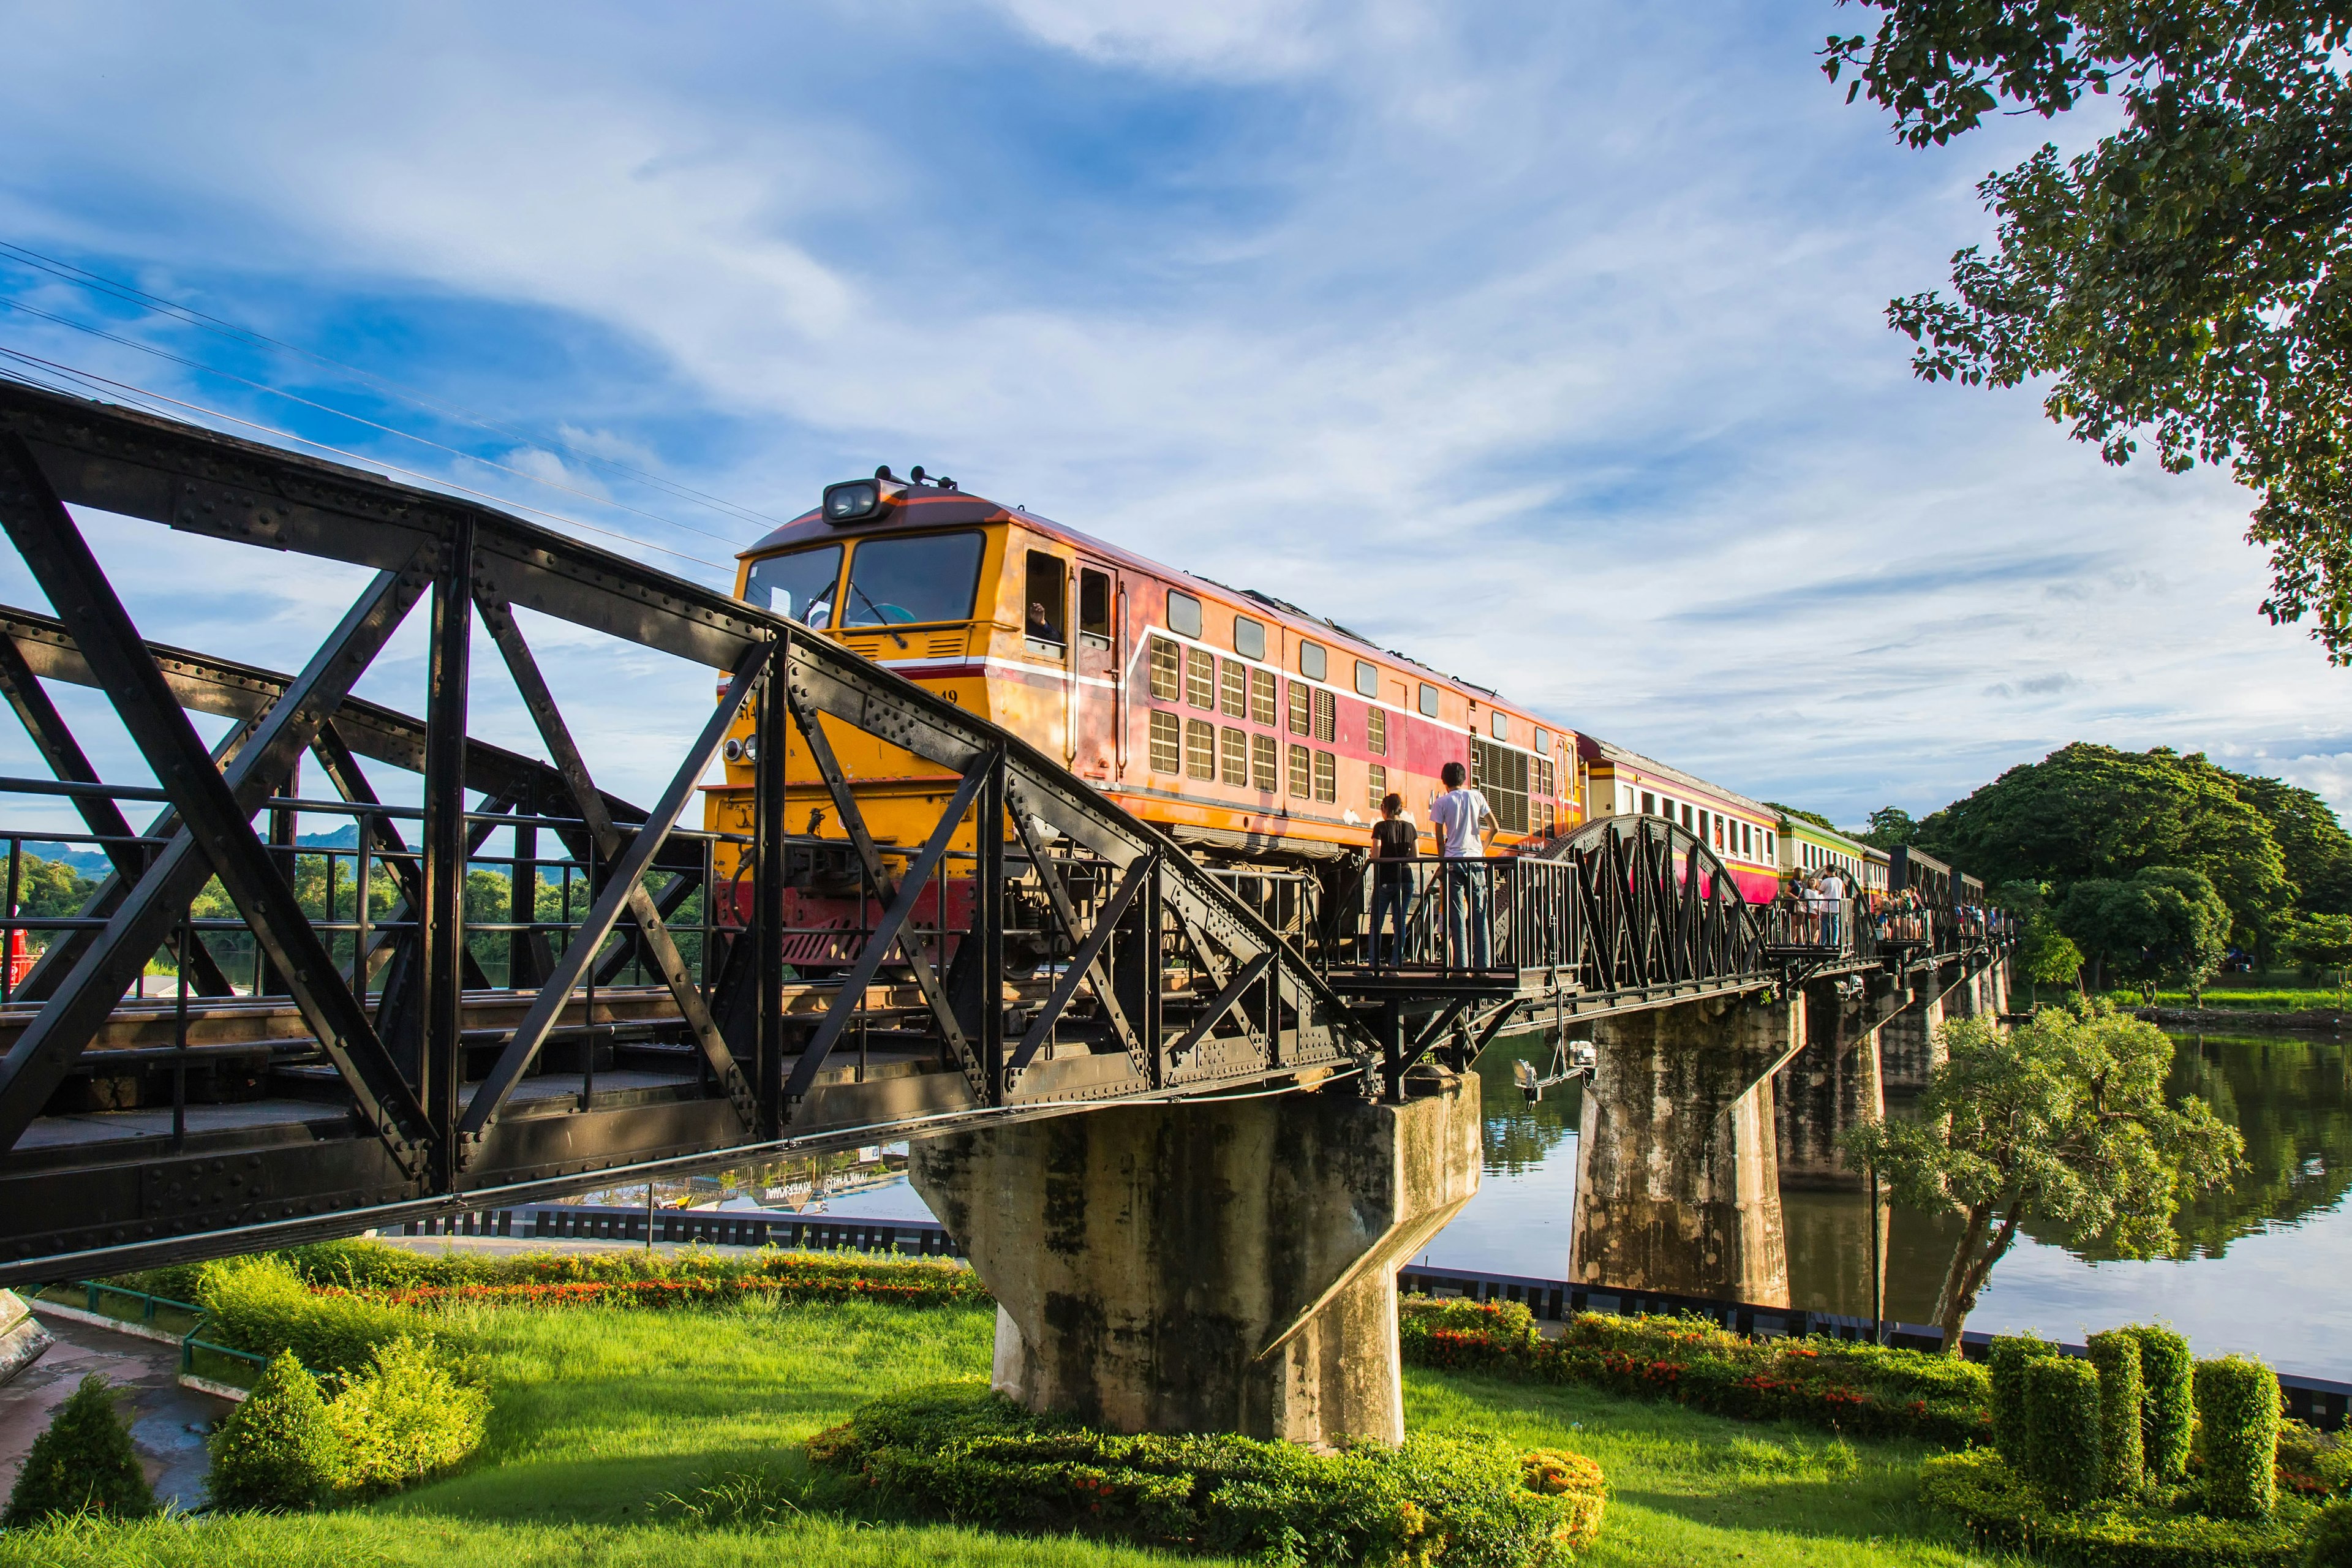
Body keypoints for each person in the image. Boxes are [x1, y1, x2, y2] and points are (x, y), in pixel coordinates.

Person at [1427, 761, 1495, 969]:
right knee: (1480, 915)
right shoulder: (1477, 796)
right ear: (1464, 779)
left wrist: (1442, 863)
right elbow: (1494, 828)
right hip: (1476, 862)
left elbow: (1440, 840)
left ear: (1444, 781)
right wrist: (1480, 850)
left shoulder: (1441, 802)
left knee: (1456, 918)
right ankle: (1483, 967)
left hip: (1453, 863)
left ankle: (1461, 968)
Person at [1368, 793, 1419, 969]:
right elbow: (1415, 856)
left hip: (1386, 880)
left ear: (1385, 808)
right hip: (1406, 879)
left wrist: (1373, 855)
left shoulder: (1380, 827)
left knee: (1376, 924)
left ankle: (1374, 964)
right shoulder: (1410, 828)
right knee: (1400, 923)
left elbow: (1376, 856)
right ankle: (1396, 964)